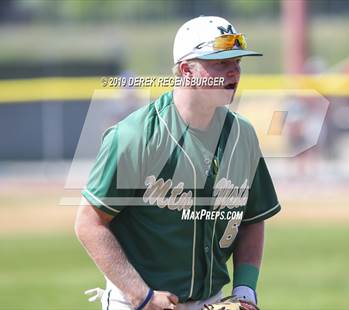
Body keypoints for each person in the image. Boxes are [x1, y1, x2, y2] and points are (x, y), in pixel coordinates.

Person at [75, 16, 281, 310]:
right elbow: (89, 223)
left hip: (210, 302)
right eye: (221, 63)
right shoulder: (136, 136)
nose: (234, 70)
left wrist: (245, 289)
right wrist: (141, 295)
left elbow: (251, 218)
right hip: (139, 301)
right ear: (187, 70)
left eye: (237, 61)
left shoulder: (242, 136)